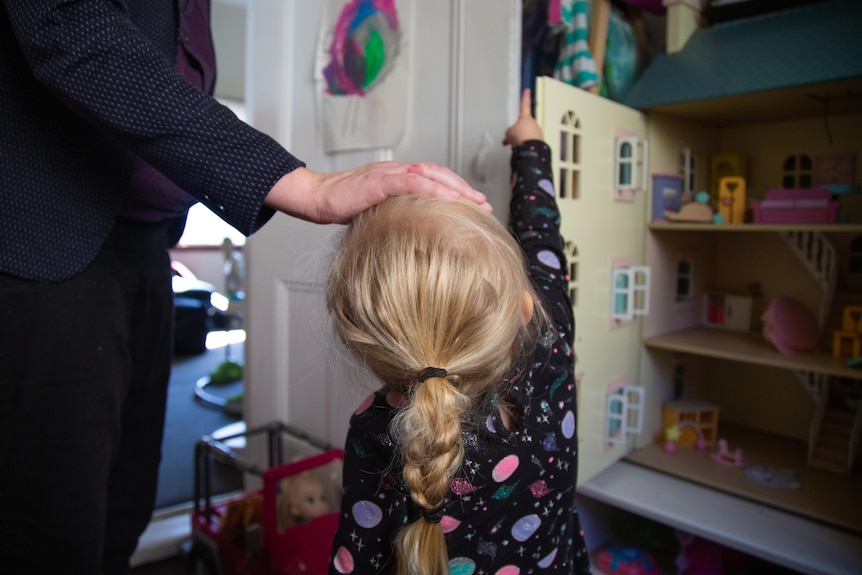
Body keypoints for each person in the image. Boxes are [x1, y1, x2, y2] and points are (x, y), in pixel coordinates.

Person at [0, 2, 487, 574]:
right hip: (48, 243)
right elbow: (67, 23)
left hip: (146, 244)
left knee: (126, 502)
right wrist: (298, 183)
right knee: (55, 525)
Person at [326, 89, 591, 574]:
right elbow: (544, 237)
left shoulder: (376, 429)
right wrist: (530, 146)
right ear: (525, 308)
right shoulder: (550, 348)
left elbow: (357, 559)